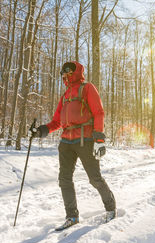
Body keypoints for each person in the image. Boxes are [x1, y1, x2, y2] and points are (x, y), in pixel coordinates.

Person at [34, 61, 116, 231]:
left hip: (85, 139)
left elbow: (98, 112)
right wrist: (41, 130)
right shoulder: (64, 96)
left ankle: (111, 208)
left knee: (94, 178)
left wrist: (99, 138)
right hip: (66, 142)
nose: (65, 76)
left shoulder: (87, 88)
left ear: (76, 72)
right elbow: (56, 121)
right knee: (64, 179)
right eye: (63, 74)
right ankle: (72, 216)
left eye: (69, 73)